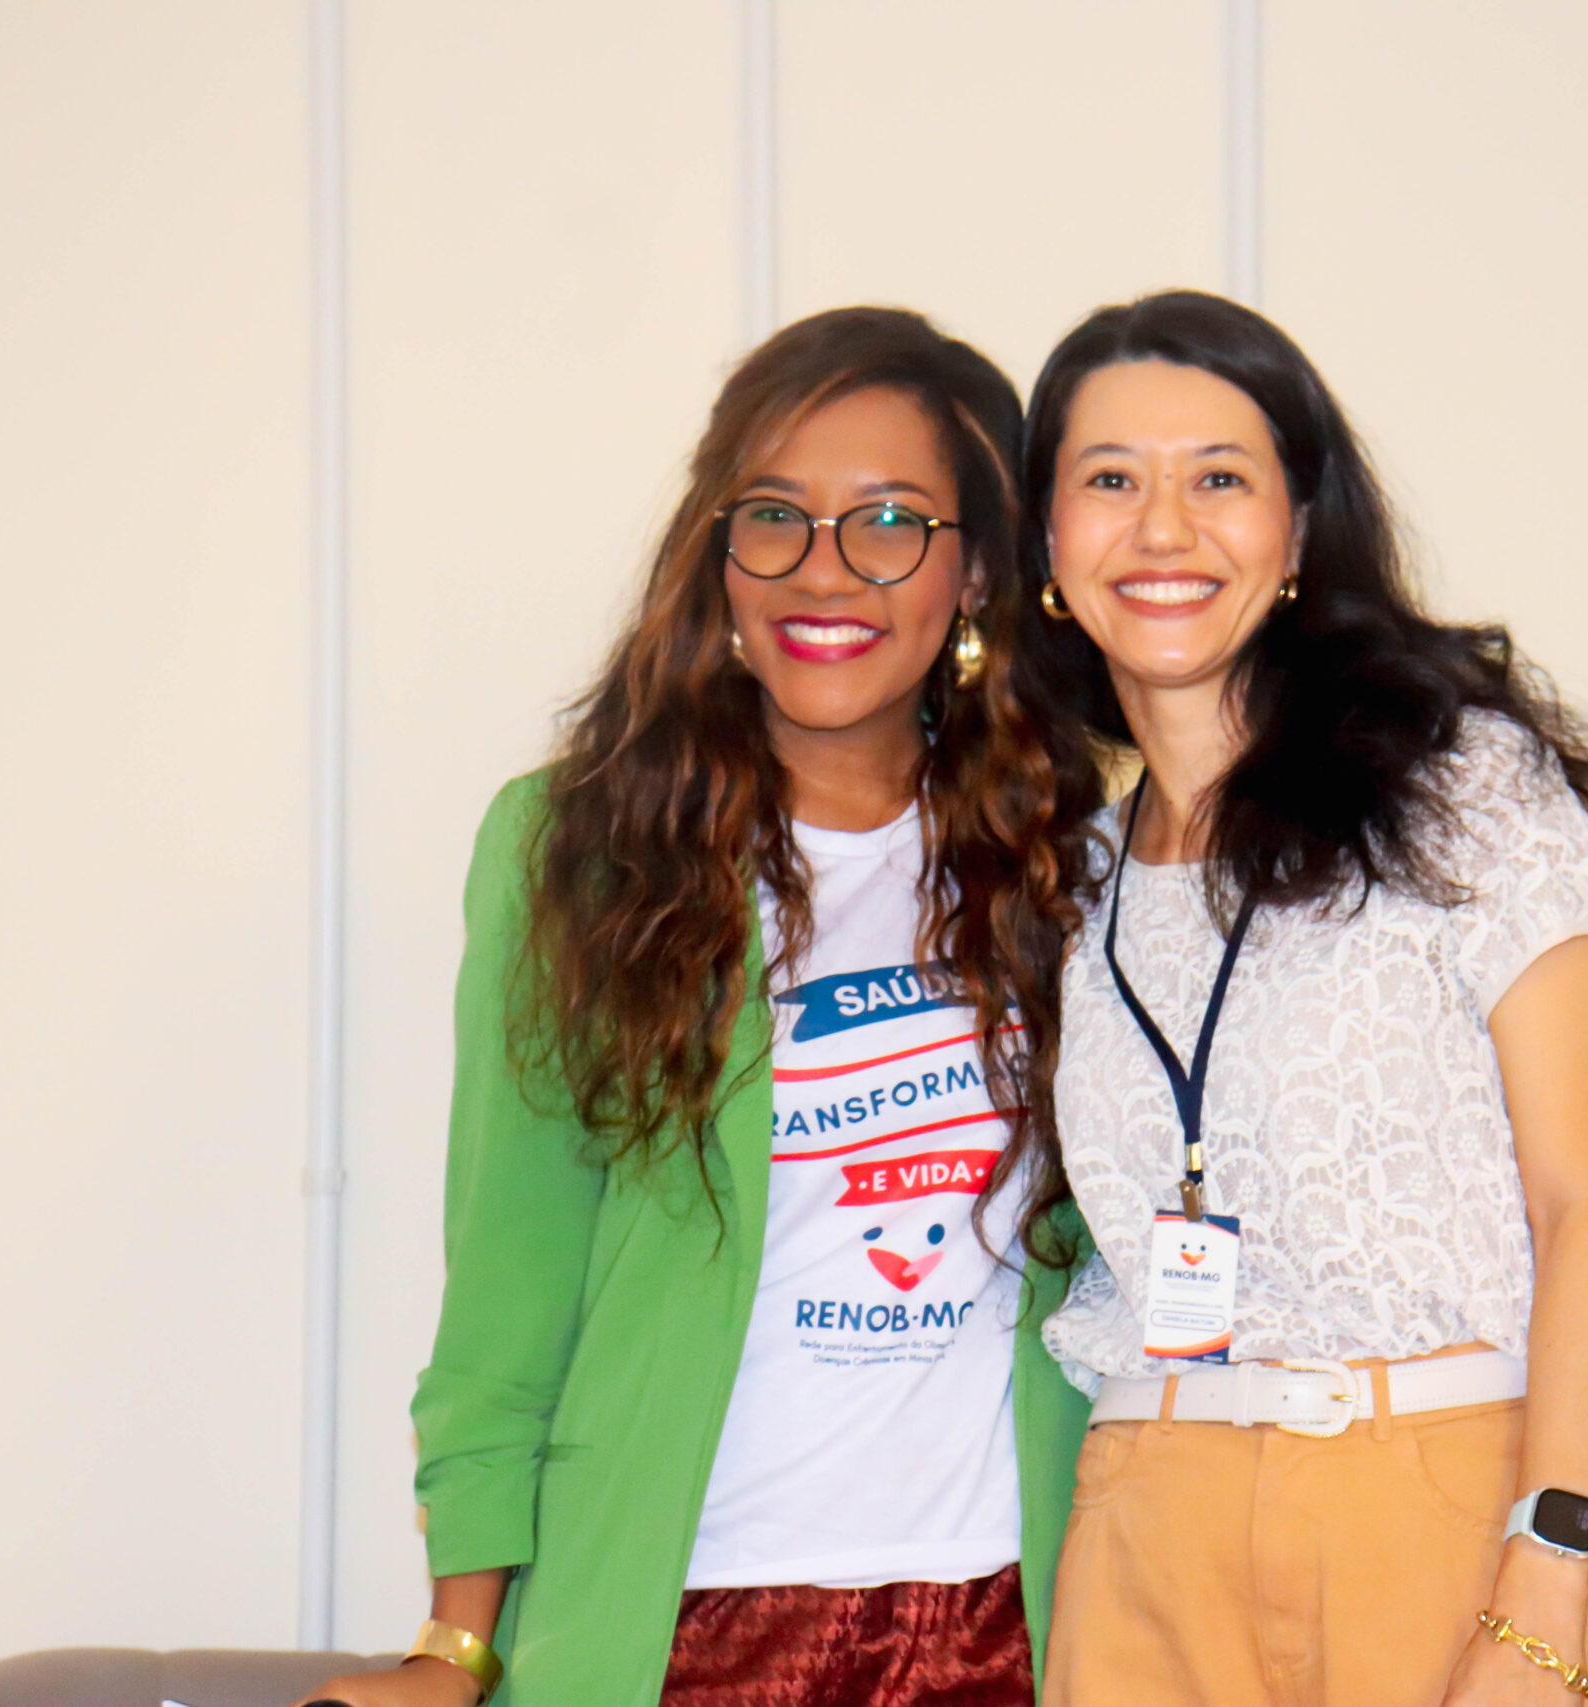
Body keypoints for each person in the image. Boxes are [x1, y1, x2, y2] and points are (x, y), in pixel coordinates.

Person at [299, 308, 1101, 1707]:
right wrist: (455, 1645)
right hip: (684, 1622)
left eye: (890, 522)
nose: (824, 568)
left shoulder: (1079, 859)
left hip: (1009, 1622)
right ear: (717, 555)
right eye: (774, 516)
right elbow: (511, 1275)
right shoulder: (579, 848)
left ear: (974, 571)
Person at [1015, 291, 1588, 1707]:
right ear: (1049, 547)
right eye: (1111, 481)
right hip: (1147, 1532)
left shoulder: (1464, 789)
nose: (1165, 529)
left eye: (1220, 480)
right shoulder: (1072, 880)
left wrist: (1549, 1569)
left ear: (1300, 535)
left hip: (1439, 1515)